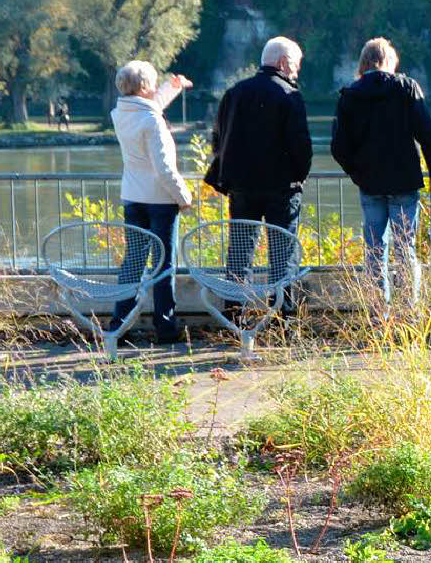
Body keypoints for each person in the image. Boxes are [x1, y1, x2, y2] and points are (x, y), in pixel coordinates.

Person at [331, 38, 431, 305]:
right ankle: (408, 312)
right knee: (406, 249)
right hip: (404, 181)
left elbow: (338, 147)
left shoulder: (350, 94)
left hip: (370, 184)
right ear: (389, 61)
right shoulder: (406, 88)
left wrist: (357, 172)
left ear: (364, 63)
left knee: (374, 250)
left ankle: (377, 313)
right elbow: (427, 134)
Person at [209, 36, 312, 322]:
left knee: (240, 254)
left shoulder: (234, 93)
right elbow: (301, 146)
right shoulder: (289, 95)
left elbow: (218, 139)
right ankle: (283, 319)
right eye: (296, 65)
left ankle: (234, 317)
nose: (297, 71)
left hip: (241, 187)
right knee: (283, 255)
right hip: (282, 188)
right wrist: (298, 177)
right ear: (283, 62)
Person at [109, 61, 193, 344]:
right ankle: (166, 328)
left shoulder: (121, 114)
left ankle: (118, 326)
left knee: (133, 262)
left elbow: (149, 106)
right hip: (160, 199)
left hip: (133, 197)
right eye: (154, 84)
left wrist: (172, 87)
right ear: (144, 88)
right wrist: (184, 196)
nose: (157, 88)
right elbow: (164, 168)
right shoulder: (152, 121)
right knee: (164, 264)